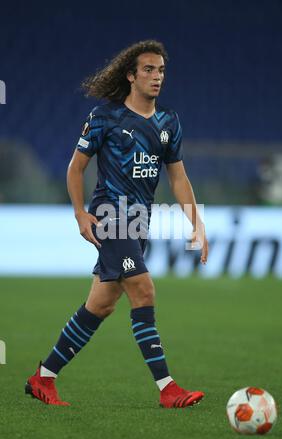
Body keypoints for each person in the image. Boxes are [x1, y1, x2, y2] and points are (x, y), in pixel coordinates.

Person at [25, 40, 209, 408]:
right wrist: (80, 213)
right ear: (130, 75)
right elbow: (75, 168)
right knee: (144, 291)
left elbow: (178, 179)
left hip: (140, 221)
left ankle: (42, 378)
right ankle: (168, 389)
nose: (157, 77)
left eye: (161, 71)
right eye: (148, 70)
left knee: (102, 304)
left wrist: (196, 223)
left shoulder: (168, 122)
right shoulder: (105, 117)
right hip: (111, 215)